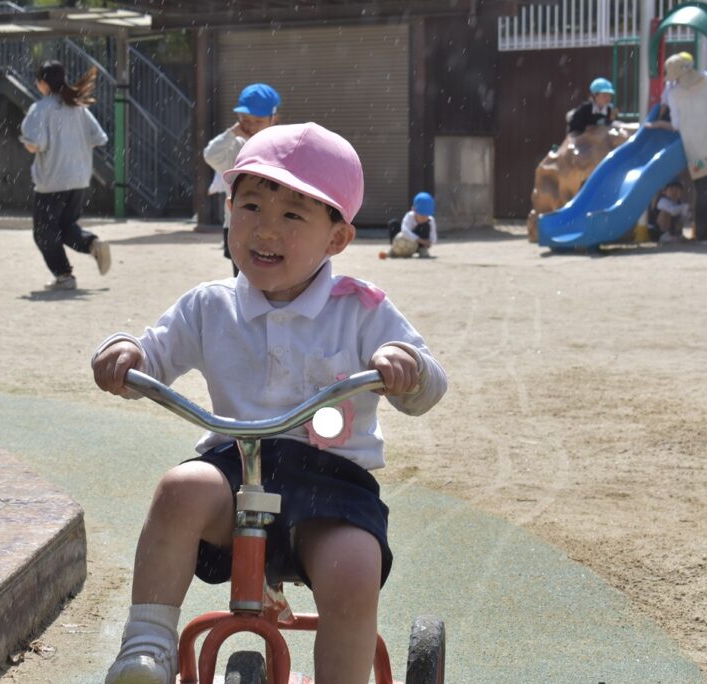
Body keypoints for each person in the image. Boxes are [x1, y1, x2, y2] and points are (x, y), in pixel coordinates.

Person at [92, 123, 448, 684]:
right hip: (236, 472)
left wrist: (407, 368)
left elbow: (429, 385)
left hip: (333, 489)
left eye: (293, 216)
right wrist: (126, 353)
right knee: (179, 489)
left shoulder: (360, 311)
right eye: (252, 206)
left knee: (354, 567)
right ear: (229, 210)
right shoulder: (210, 306)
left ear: (336, 239)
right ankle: (147, 648)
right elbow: (153, 353)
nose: (266, 229)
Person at [20, 61, 111, 291]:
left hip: (52, 181)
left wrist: (30, 142)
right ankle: (92, 244)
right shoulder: (78, 107)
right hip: (79, 179)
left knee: (44, 232)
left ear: (43, 83)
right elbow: (99, 138)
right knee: (65, 226)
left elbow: (34, 144)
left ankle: (64, 275)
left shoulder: (41, 108)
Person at [649, 52, 707, 243]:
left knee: (703, 190)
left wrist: (659, 124)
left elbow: (676, 124)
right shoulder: (706, 78)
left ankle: (705, 235)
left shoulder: (674, 94)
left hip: (698, 146)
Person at [203, 82, 281, 276]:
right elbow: (210, 155)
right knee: (241, 278)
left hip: (274, 225)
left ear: (274, 118)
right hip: (238, 224)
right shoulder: (236, 145)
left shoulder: (282, 146)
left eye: (258, 120)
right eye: (245, 119)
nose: (251, 126)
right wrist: (232, 133)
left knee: (273, 277)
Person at [387, 192, 438, 258]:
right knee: (393, 224)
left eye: (427, 215)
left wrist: (428, 243)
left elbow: (433, 239)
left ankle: (422, 249)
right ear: (413, 210)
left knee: (425, 226)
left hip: (419, 245)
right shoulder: (409, 216)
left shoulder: (430, 220)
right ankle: (395, 249)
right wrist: (419, 240)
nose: (424, 217)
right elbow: (404, 231)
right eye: (422, 215)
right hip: (402, 242)